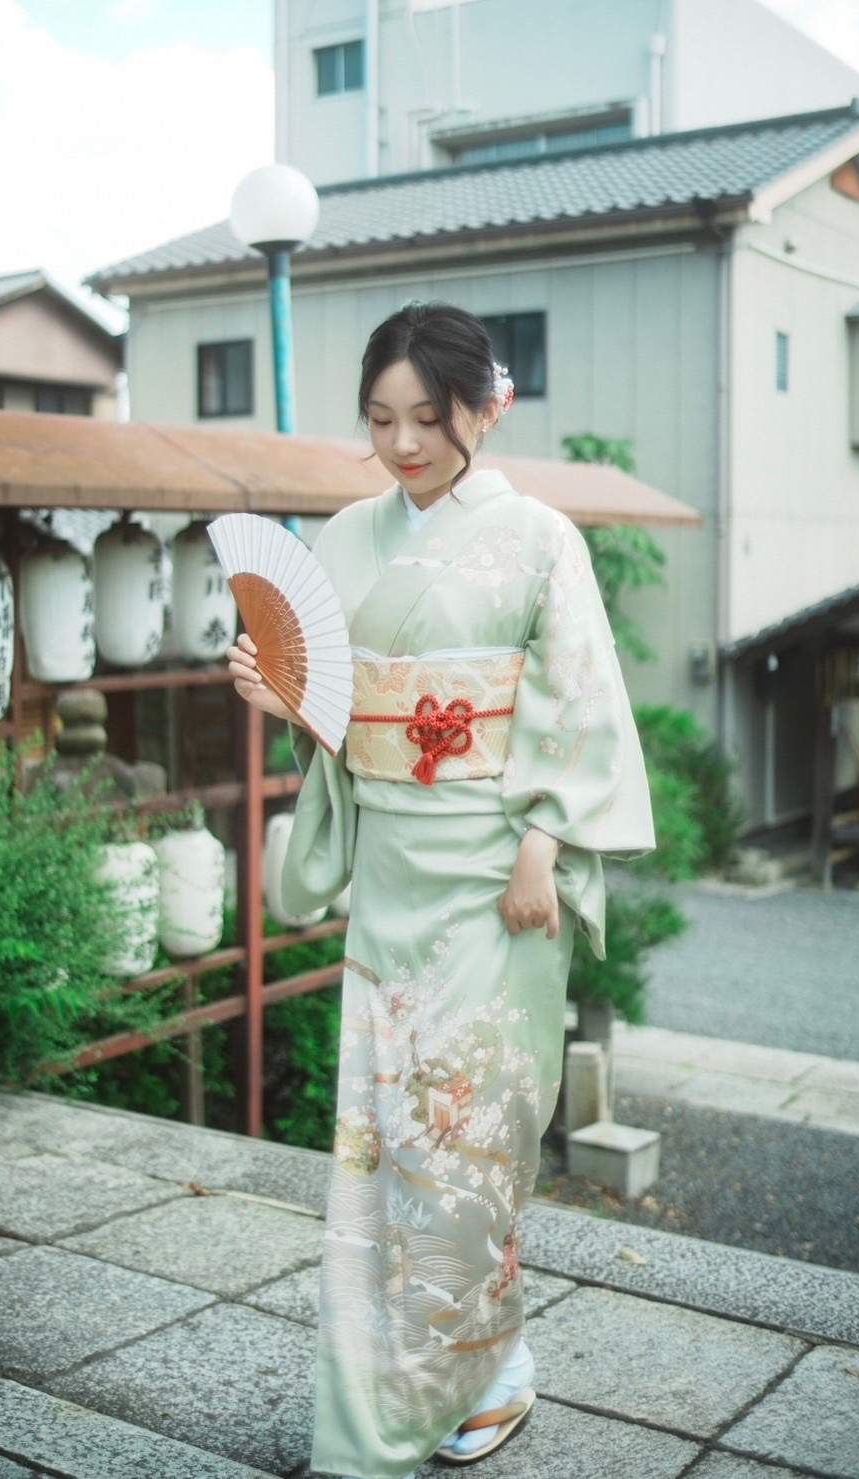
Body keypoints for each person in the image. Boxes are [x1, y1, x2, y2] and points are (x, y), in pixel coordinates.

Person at [225, 300, 655, 1478]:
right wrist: (285, 701)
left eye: (427, 416)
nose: (403, 442)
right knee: (387, 1141)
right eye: (379, 418)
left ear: (484, 406)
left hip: (494, 872)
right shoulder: (344, 536)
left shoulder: (538, 540)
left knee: (470, 1136)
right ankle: (403, 1389)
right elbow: (338, 708)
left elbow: (577, 700)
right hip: (393, 870)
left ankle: (495, 1369)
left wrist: (543, 848)